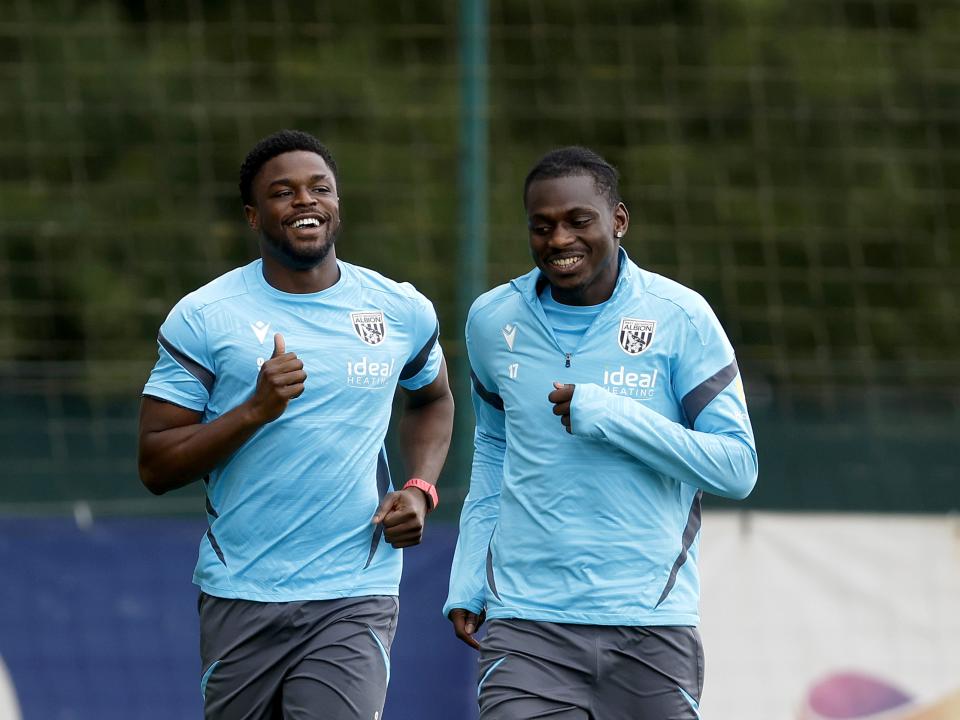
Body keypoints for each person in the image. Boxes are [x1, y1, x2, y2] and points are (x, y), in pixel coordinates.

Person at [138, 129, 454, 719]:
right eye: (283, 193)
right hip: (242, 591)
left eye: (320, 188)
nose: (305, 201)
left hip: (354, 590)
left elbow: (433, 399)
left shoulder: (399, 309)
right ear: (254, 216)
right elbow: (155, 464)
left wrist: (419, 487)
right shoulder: (205, 317)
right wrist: (254, 410)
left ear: (337, 204)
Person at [444, 146, 758, 719]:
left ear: (618, 219)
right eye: (542, 226)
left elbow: (736, 468)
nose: (559, 239)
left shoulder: (679, 317)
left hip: (651, 625)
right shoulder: (492, 320)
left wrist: (611, 417)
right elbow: (493, 448)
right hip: (526, 621)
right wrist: (468, 575)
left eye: (577, 221)